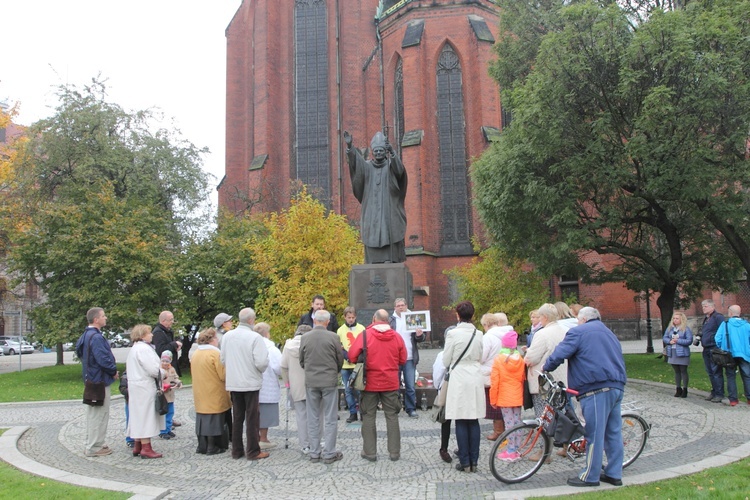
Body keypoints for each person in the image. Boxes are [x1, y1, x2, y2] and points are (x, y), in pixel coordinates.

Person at [544, 307, 627, 488]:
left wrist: (547, 367)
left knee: (594, 434)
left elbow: (560, 353)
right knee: (613, 432)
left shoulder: (578, 332)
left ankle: (590, 476)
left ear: (581, 319)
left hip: (595, 388)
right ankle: (614, 473)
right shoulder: (608, 332)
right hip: (616, 386)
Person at [348, 309, 406, 462]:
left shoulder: (365, 335)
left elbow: (352, 355)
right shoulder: (397, 336)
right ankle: (394, 452)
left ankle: (370, 452)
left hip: (370, 382)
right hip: (390, 382)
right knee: (392, 416)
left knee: (368, 416)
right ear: (388, 321)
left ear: (374, 319)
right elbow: (403, 359)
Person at [343, 130, 408, 264]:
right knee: (372, 231)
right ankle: (373, 260)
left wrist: (393, 154)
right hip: (371, 209)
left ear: (385, 151)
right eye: (376, 151)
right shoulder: (367, 167)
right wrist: (350, 148)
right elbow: (356, 163)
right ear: (372, 152)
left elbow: (400, 172)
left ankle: (390, 259)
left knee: (389, 229)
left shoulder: (391, 166)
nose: (378, 153)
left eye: (381, 151)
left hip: (388, 208)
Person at [221, 307, 270, 460]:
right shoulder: (255, 338)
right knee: (252, 418)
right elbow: (261, 362)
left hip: (234, 382)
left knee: (237, 417)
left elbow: (223, 359)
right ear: (251, 320)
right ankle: (253, 451)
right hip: (250, 382)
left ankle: (236, 450)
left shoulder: (228, 336)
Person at [443, 301, 485, 473]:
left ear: (458, 315)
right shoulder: (479, 333)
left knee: (460, 418)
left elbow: (446, 360)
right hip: (474, 374)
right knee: (473, 418)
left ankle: (465, 461)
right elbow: (480, 355)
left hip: (459, 376)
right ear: (473, 315)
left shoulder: (453, 334)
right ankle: (474, 461)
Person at [299, 310, 344, 464]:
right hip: (329, 381)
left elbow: (302, 360)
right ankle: (329, 452)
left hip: (311, 381)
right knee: (330, 417)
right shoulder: (334, 337)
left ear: (315, 321)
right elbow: (340, 359)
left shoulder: (305, 337)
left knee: (313, 417)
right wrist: (334, 372)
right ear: (327, 322)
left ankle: (314, 452)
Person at [75, 307, 118, 457]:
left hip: (91, 379)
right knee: (99, 414)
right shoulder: (96, 337)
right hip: (98, 380)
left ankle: (95, 442)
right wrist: (113, 371)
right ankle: (94, 447)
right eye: (103, 316)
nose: (105, 318)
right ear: (96, 320)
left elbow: (80, 352)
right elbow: (103, 359)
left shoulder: (85, 335)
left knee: (95, 413)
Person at [125, 324, 165, 459]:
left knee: (137, 415)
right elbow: (154, 370)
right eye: (149, 333)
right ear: (142, 335)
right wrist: (164, 371)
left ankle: (138, 444)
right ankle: (146, 447)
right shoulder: (144, 349)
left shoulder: (134, 349)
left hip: (135, 386)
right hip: (145, 386)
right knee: (146, 416)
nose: (152, 335)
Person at [192, 327, 232, 455]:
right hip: (214, 392)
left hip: (200, 392)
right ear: (212, 339)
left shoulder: (196, 353)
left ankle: (201, 446)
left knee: (202, 420)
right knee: (215, 420)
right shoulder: (215, 354)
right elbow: (223, 375)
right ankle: (212, 446)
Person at [524, 304, 568, 419]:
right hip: (562, 379)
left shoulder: (542, 334)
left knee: (544, 416)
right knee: (560, 414)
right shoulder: (565, 331)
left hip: (544, 383)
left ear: (545, 317)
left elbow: (531, 358)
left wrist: (527, 354)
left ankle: (547, 436)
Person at [489, 331, 525, 461]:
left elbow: (495, 381)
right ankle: (517, 448)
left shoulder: (499, 360)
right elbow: (522, 378)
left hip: (504, 396)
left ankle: (510, 450)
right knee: (517, 422)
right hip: (517, 395)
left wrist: (493, 399)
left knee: (509, 424)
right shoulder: (520, 359)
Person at [390, 297, 425, 418]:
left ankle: (411, 408)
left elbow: (421, 338)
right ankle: (396, 408)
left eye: (402, 305)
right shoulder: (391, 320)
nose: (401, 307)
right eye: (398, 305)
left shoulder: (413, 318)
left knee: (410, 385)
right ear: (395, 308)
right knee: (395, 385)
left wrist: (419, 335)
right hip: (394, 357)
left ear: (406, 306)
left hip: (409, 357)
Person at [479, 313, 513, 441]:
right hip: (505, 371)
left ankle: (498, 431)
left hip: (491, 372)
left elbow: (482, 357)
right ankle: (505, 429)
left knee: (494, 404)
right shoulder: (506, 333)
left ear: (486, 325)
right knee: (504, 402)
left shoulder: (488, 337)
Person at [281, 324, 313, 454]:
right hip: (312, 382)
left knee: (301, 415)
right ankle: (316, 440)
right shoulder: (312, 344)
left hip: (296, 385)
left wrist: (287, 383)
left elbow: (283, 367)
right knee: (316, 414)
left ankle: (304, 444)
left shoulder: (288, 347)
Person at [715, 305, 750, 406]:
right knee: (747, 376)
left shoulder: (725, 324)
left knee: (730, 376)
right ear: (740, 313)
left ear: (730, 313)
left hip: (729, 354)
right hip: (745, 354)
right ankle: (749, 398)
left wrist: (722, 347)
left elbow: (718, 338)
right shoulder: (747, 325)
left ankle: (733, 400)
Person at [255, 322, 282, 449]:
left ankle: (255, 437)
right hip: (268, 385)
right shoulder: (272, 349)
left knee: (254, 413)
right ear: (267, 333)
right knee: (265, 413)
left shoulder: (251, 346)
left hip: (254, 385)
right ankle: (264, 438)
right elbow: (279, 367)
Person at [337, 306, 365, 423]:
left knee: (359, 390)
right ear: (345, 317)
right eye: (349, 317)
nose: (351, 319)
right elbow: (339, 346)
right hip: (345, 365)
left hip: (357, 365)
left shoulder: (361, 329)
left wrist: (356, 358)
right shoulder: (340, 330)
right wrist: (347, 356)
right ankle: (353, 412)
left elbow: (364, 345)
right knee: (348, 390)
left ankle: (362, 412)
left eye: (353, 317)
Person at [697, 300, 726, 403]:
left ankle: (719, 393)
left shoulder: (718, 317)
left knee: (716, 372)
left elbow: (723, 332)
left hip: (714, 348)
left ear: (712, 306)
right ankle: (714, 391)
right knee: (710, 372)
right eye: (703, 306)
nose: (703, 308)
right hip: (706, 348)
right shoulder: (706, 319)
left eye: (705, 306)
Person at [662, 311, 692, 398]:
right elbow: (665, 337)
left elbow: (689, 341)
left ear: (681, 319)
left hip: (682, 353)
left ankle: (685, 389)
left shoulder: (686, 329)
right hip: (672, 352)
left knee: (683, 371)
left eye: (677, 318)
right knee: (676, 371)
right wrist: (669, 341)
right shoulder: (670, 329)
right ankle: (678, 388)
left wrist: (678, 341)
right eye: (674, 318)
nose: (675, 320)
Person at [432, 343, 453, 464]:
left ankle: (444, 449)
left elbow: (438, 373)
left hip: (448, 388)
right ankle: (464, 449)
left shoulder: (442, 354)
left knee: (445, 420)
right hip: (464, 388)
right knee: (463, 421)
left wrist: (439, 387)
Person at [158, 351, 183, 440]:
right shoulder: (159, 370)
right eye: (163, 361)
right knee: (163, 413)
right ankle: (163, 431)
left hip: (170, 395)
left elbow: (175, 378)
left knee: (170, 412)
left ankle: (168, 429)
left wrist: (179, 383)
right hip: (163, 396)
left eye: (167, 361)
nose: (164, 363)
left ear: (170, 361)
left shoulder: (172, 369)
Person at [152, 311, 182, 377]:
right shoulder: (158, 333)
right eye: (170, 320)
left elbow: (175, 341)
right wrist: (174, 344)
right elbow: (161, 350)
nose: (172, 322)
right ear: (163, 320)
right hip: (165, 368)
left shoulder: (169, 331)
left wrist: (177, 345)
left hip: (172, 366)